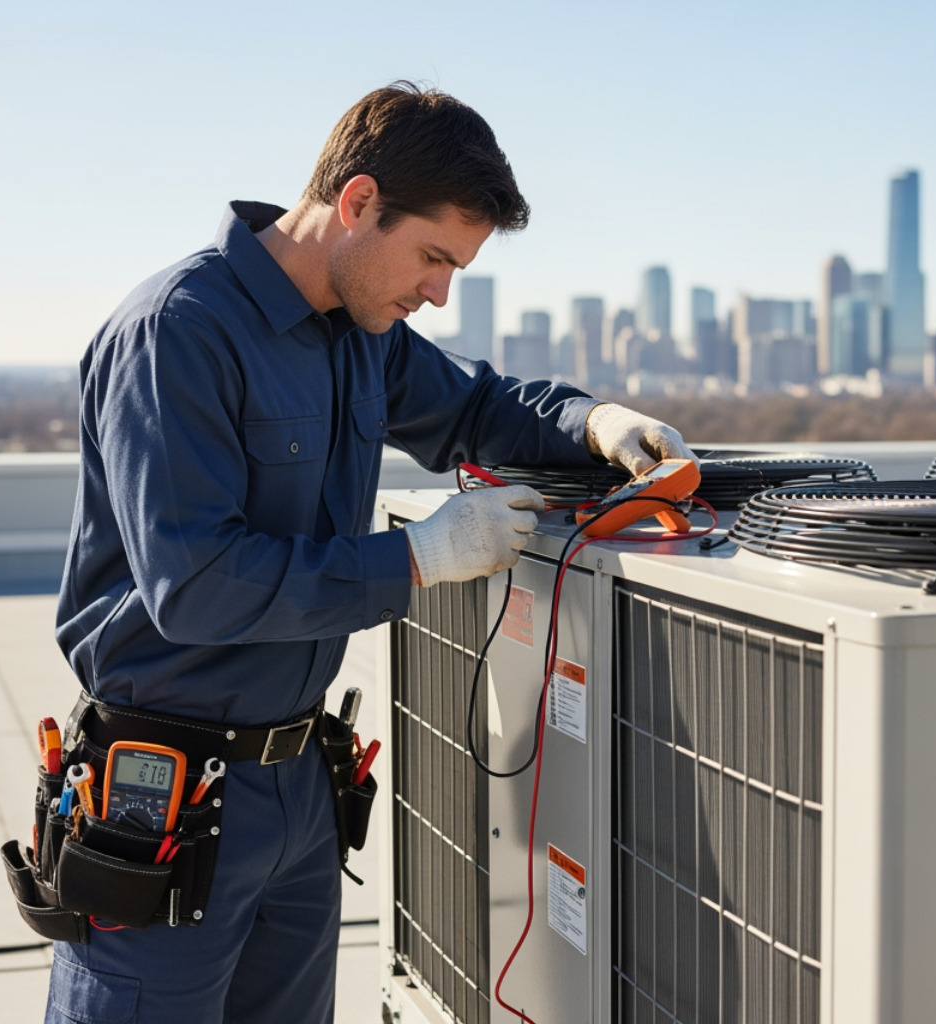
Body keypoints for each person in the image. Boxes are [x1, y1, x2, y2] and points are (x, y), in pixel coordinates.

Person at [47, 81, 693, 1024]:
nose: (439, 292)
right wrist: (415, 560)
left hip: (299, 788)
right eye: (433, 257)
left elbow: (478, 407)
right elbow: (197, 586)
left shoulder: (362, 336)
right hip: (166, 795)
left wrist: (595, 422)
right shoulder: (177, 332)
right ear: (358, 202)